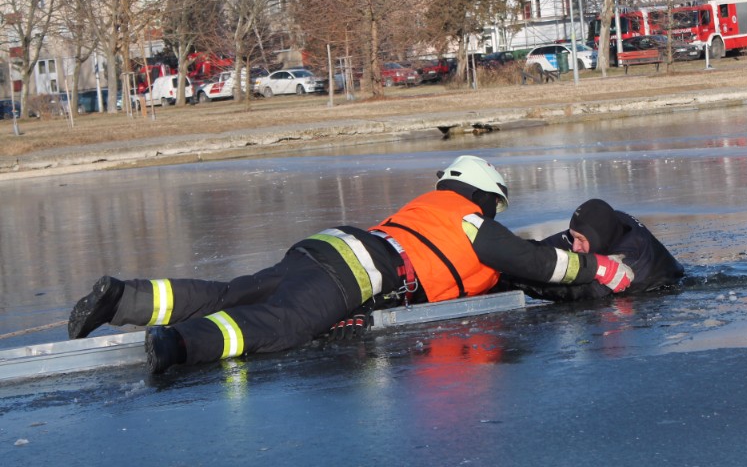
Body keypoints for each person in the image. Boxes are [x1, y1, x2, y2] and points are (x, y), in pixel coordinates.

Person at [67, 156, 628, 374]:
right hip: (358, 269)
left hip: (326, 245)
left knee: (232, 292)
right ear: (486, 195)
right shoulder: (473, 222)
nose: (496, 215)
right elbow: (532, 261)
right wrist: (599, 269)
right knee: (283, 324)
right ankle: (178, 344)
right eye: (496, 206)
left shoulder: (428, 206)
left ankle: (123, 298)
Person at [507, 198, 684, 302]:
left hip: (655, 293)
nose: (575, 246)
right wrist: (504, 254)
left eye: (581, 240)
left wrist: (515, 281)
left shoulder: (629, 263)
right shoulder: (606, 225)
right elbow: (546, 248)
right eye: (574, 237)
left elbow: (574, 292)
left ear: (598, 238)